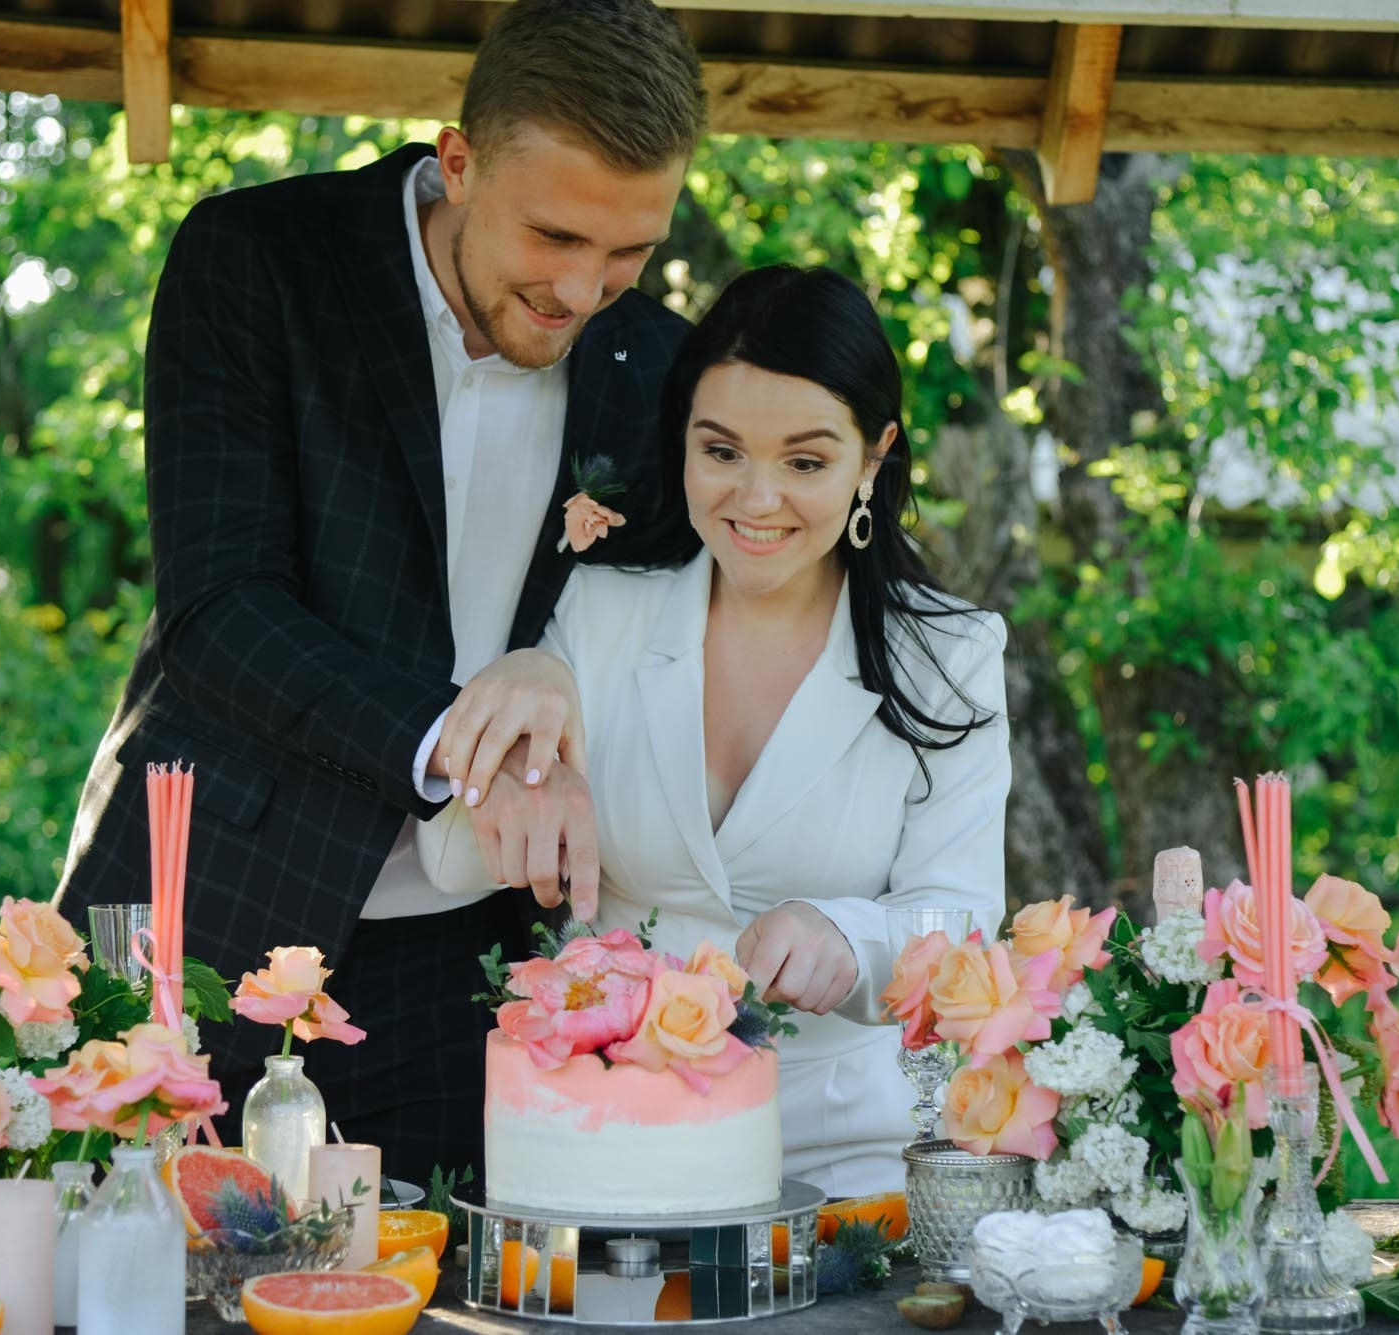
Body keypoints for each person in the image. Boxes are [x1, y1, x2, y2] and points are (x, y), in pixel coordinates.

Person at [53, 0, 707, 1182]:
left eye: (627, 252)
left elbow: (652, 614)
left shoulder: (651, 362)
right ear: (456, 163)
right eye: (553, 236)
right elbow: (218, 613)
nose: (583, 289)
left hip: (472, 964)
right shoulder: (257, 261)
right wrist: (458, 743)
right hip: (205, 912)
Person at [420, 265, 1011, 1195]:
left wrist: (847, 934)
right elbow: (453, 862)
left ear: (875, 453)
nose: (757, 498)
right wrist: (510, 709)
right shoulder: (596, 612)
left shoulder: (953, 652)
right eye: (723, 451)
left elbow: (965, 914)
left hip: (856, 1152)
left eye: (806, 461)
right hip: (614, 1141)